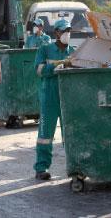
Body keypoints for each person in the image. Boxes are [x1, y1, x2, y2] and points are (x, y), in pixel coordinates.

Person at [33, 19, 74, 180]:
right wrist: (55, 66)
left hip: (69, 97)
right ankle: (41, 168)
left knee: (70, 134)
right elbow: (38, 69)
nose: (67, 34)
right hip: (49, 96)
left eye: (69, 31)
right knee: (45, 135)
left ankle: (74, 166)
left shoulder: (74, 51)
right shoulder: (45, 50)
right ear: (56, 32)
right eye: (64, 31)